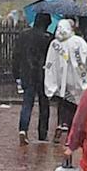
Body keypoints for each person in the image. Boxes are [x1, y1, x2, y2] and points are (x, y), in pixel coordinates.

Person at [42, 18, 87, 142]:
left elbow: (50, 63)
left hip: (62, 84)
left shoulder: (55, 44)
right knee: (76, 106)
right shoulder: (78, 41)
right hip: (76, 81)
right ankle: (72, 133)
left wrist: (52, 81)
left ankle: (63, 125)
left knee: (65, 104)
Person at [13, 13, 54, 144]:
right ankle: (43, 133)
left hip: (27, 73)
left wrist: (16, 74)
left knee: (27, 103)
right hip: (43, 75)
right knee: (44, 104)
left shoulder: (23, 35)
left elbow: (16, 55)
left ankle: (23, 129)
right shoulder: (48, 38)